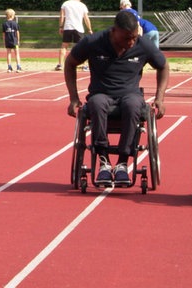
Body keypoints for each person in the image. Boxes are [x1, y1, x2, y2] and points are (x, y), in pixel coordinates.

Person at [64, 11, 170, 184]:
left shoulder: (142, 44)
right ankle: (103, 161)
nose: (131, 42)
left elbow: (163, 66)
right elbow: (70, 63)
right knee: (96, 103)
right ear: (114, 31)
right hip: (101, 93)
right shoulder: (93, 42)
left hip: (130, 95)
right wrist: (73, 97)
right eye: (127, 38)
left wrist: (160, 98)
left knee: (133, 105)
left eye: (134, 37)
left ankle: (123, 162)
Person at [56, 0, 93, 71]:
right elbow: (86, 18)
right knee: (82, 46)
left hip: (68, 27)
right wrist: (89, 29)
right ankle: (85, 65)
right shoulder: (82, 5)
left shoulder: (65, 3)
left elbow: (62, 16)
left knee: (64, 46)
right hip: (78, 28)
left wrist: (60, 26)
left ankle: (60, 65)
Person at [2, 9, 22, 73]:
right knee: (17, 53)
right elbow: (17, 33)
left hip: (8, 40)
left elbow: (4, 34)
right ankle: (18, 66)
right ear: (12, 16)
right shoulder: (15, 24)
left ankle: (9, 67)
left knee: (8, 53)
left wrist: (4, 41)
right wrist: (18, 40)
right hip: (14, 40)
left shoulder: (4, 24)